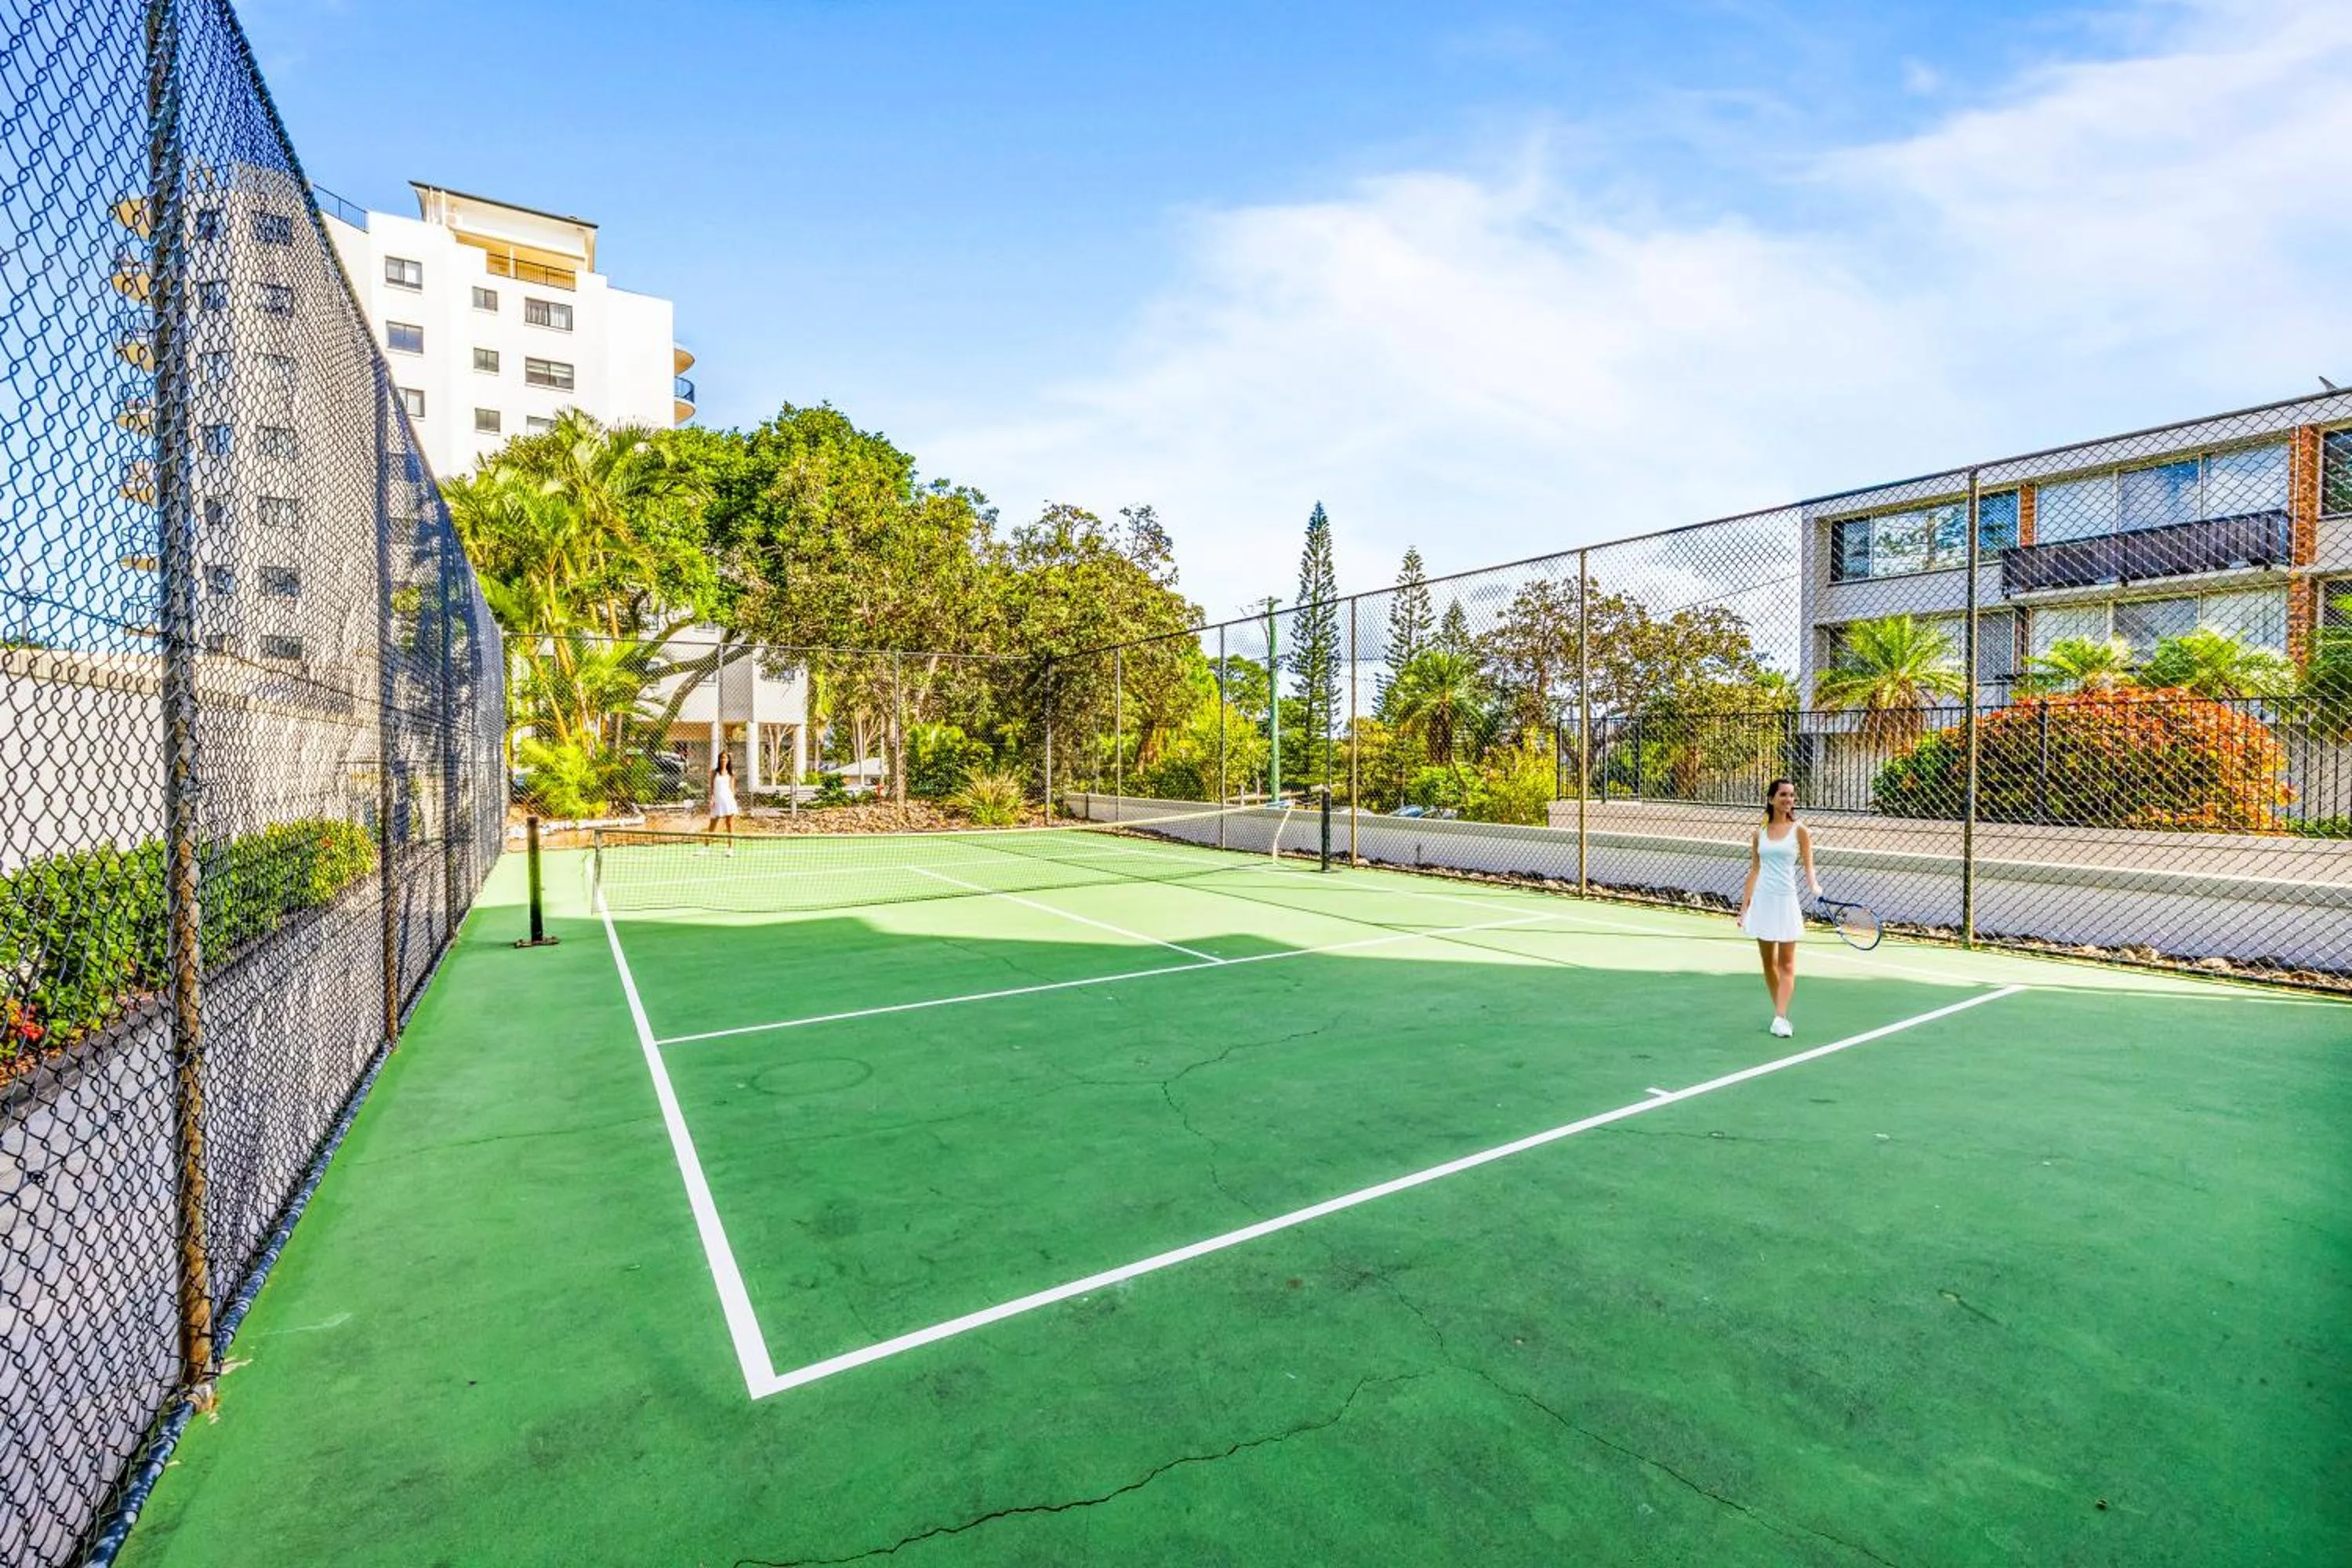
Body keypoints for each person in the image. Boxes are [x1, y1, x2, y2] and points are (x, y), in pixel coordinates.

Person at [1738, 777, 1820, 1038]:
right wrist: (1743, 909)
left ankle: (1781, 1016)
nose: (1789, 800)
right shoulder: (1758, 834)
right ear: (1771, 798)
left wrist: (1814, 886)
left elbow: (1809, 866)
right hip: (1763, 900)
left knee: (1787, 964)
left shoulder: (1800, 830)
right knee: (1768, 963)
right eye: (1783, 795)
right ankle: (1780, 1013)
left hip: (1786, 900)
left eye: (1792, 795)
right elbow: (1754, 871)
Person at [701, 750, 739, 855]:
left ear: (728, 760)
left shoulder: (732, 773)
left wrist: (733, 801)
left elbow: (732, 789)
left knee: (729, 824)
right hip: (717, 802)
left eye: (725, 758)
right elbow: (712, 787)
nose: (723, 760)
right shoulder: (714, 772)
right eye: (722, 758)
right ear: (719, 760)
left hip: (728, 801)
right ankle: (706, 847)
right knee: (712, 825)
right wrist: (712, 799)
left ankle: (730, 849)